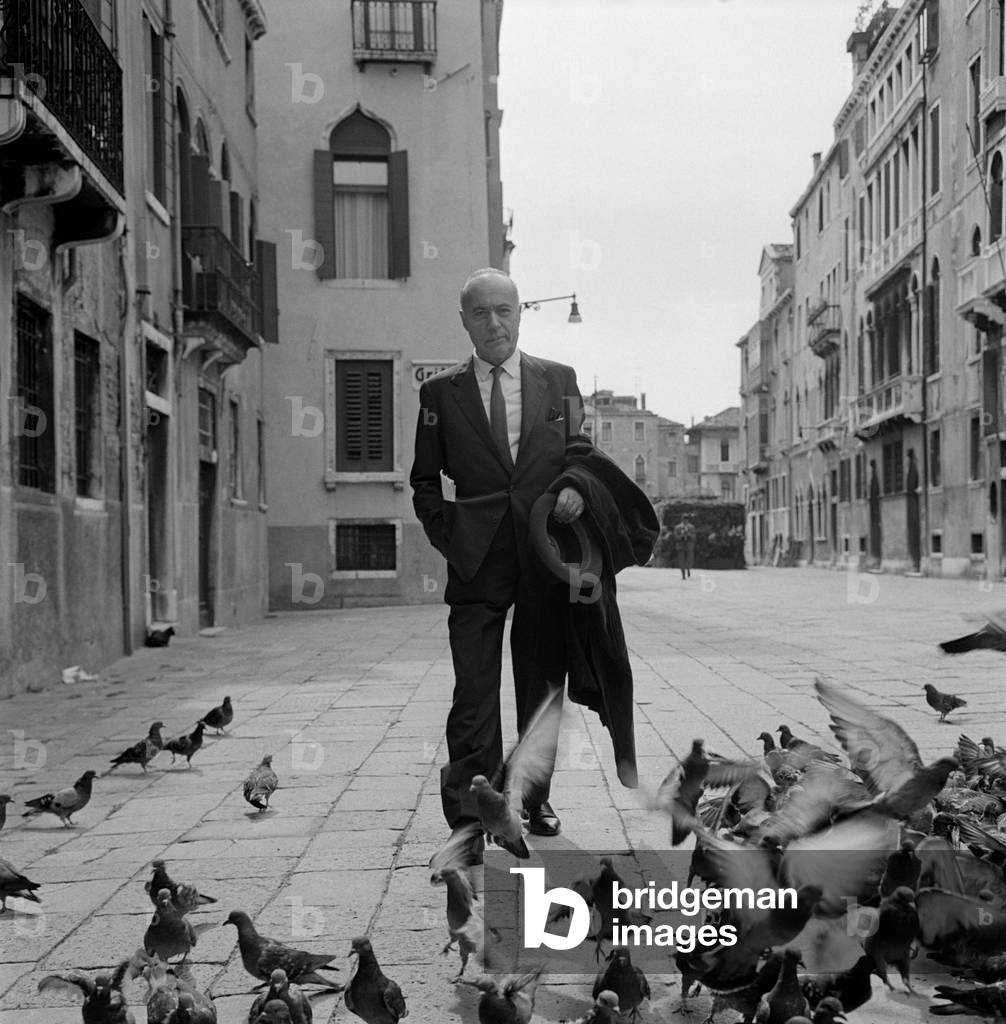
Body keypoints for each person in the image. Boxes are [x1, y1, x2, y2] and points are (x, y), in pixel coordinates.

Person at [410, 268, 585, 842]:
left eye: (503, 310)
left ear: (519, 313)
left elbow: (581, 454)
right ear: (464, 321)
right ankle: (470, 815)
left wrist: (574, 487)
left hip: (541, 554)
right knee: (474, 692)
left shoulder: (559, 381)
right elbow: (424, 481)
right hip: (476, 560)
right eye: (480, 313)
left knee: (541, 685)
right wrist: (451, 538)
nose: (494, 323)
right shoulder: (439, 393)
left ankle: (533, 800)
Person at [674, 514, 696, 579]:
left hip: (689, 546)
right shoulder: (677, 527)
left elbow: (694, 537)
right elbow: (676, 537)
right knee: (681, 561)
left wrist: (689, 534)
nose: (685, 520)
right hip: (681, 546)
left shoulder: (692, 527)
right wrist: (682, 535)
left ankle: (688, 569)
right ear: (682, 519)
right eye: (684, 518)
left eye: (686, 518)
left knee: (689, 560)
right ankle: (683, 574)